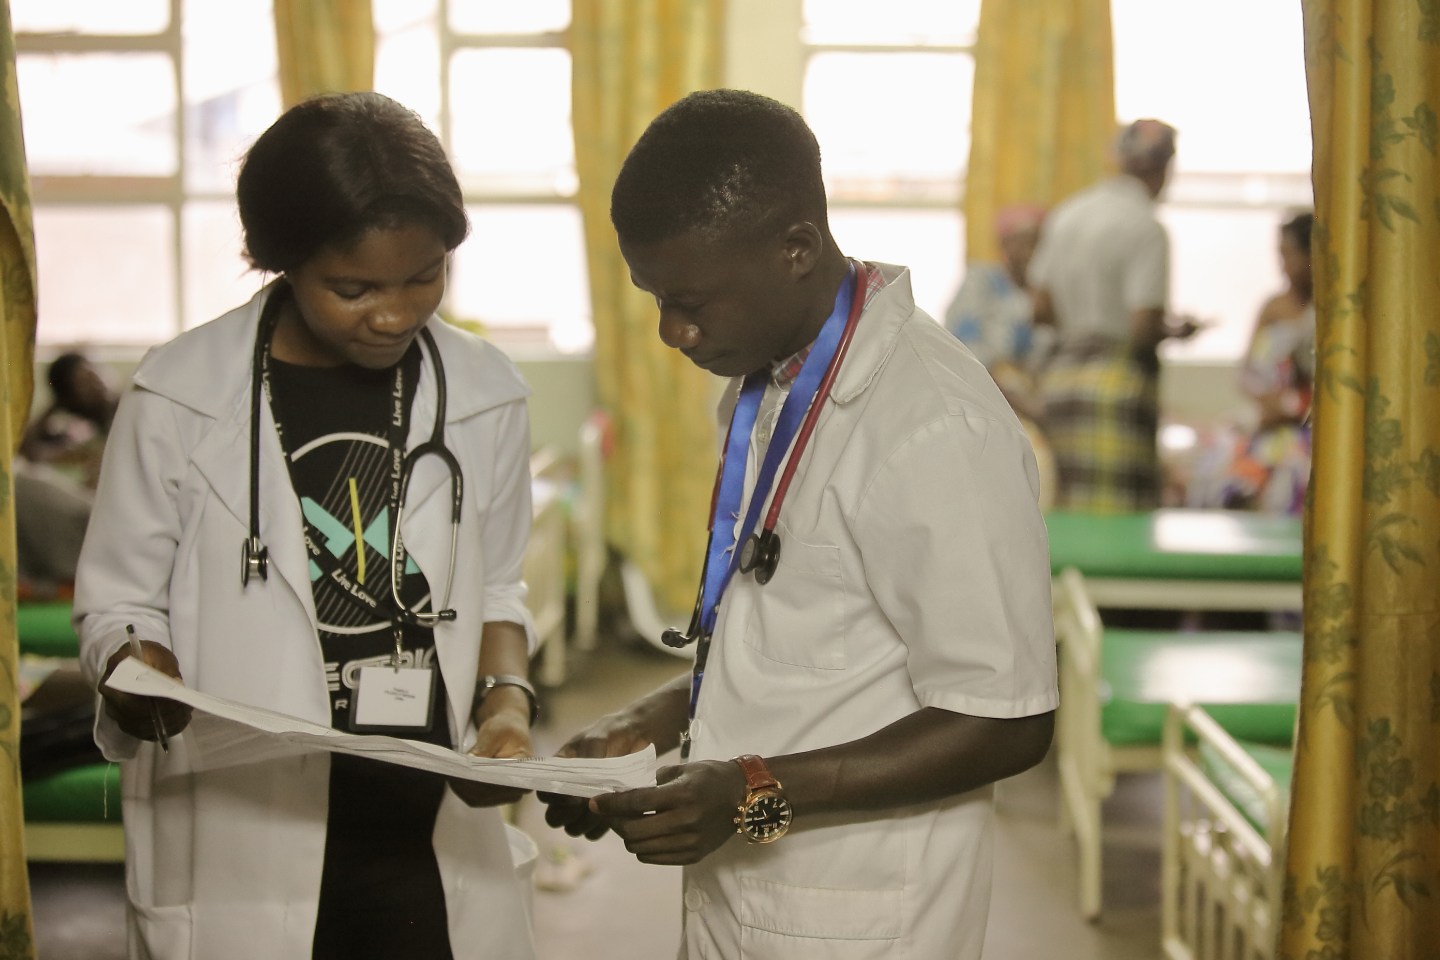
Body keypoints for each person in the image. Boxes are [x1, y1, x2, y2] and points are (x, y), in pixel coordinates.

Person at [540, 89, 1057, 959]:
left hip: (862, 919)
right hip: (750, 895)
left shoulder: (933, 427)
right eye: (655, 298)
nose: (672, 331)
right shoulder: (773, 379)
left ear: (796, 249)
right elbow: (800, 634)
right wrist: (649, 720)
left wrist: (749, 791)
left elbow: (1006, 718)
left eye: (691, 301)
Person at [73, 92, 540, 960]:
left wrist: (507, 706)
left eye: (424, 276)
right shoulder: (179, 394)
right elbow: (118, 603)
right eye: (353, 289)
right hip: (244, 832)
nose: (394, 315)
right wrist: (136, 669)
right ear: (280, 260)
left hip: (423, 826)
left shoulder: (486, 393)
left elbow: (500, 587)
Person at [1028, 119, 1201, 513]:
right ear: (1164, 169)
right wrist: (1175, 331)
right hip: (1117, 390)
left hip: (1060, 386)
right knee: (1117, 521)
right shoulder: (1147, 228)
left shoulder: (1067, 214)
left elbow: (1040, 309)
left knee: (1068, 514)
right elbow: (1142, 328)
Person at [1190, 211, 1315, 514]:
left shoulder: (1332, 309)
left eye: (1289, 255)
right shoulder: (1273, 307)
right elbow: (1246, 372)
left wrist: (1296, 408)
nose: (1282, 265)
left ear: (1312, 255)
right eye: (1279, 255)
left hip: (1310, 424)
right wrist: (1270, 402)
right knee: (1222, 466)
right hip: (1269, 418)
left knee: (1295, 472)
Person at [944, 202, 1050, 418]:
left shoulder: (1047, 292)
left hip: (1039, 401)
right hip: (986, 403)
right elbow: (966, 354)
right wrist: (1021, 404)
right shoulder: (982, 283)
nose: (1034, 253)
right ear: (1004, 244)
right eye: (1027, 243)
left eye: (1042, 245)